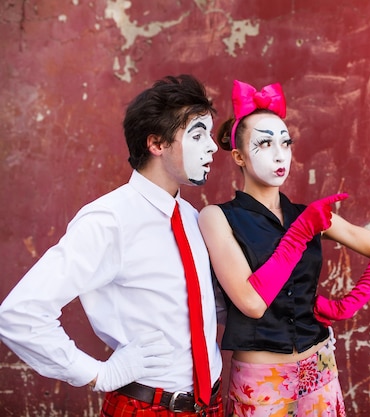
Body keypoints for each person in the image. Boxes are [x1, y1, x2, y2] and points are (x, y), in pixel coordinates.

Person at [0, 75, 225, 416]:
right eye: (197, 135)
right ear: (157, 143)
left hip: (211, 405)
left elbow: (200, 308)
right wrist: (97, 373)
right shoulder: (109, 220)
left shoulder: (192, 218)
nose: (211, 146)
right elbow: (19, 314)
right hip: (147, 407)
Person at [198, 80, 370, 416]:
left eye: (286, 142)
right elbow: (252, 304)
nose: (280, 154)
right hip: (262, 380)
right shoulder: (217, 217)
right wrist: (300, 234)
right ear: (238, 156)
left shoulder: (307, 214)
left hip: (319, 366)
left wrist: (345, 307)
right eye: (264, 144)